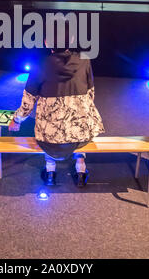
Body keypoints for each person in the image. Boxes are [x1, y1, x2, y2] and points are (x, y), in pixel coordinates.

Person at [9, 22, 104, 187]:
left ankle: (50, 171)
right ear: (72, 40)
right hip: (80, 138)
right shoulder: (85, 60)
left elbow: (28, 102)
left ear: (47, 42)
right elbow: (91, 95)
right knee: (80, 123)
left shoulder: (40, 64)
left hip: (50, 140)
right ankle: (81, 169)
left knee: (50, 126)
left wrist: (16, 120)